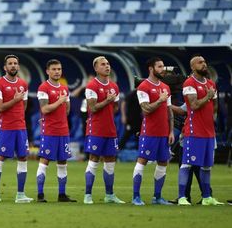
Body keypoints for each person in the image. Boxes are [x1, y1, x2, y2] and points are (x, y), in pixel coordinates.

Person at [177, 55, 223, 206]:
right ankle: (182, 197)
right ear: (192, 67)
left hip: (209, 132)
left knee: (206, 166)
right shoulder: (189, 83)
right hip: (194, 131)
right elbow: (195, 105)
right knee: (187, 164)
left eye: (204, 61)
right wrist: (208, 97)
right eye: (200, 62)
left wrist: (210, 110)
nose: (204, 64)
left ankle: (207, 197)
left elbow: (215, 106)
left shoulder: (211, 83)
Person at [131, 57, 174, 205]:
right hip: (149, 132)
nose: (163, 69)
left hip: (164, 133)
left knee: (163, 162)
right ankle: (136, 196)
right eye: (160, 67)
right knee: (142, 161)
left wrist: (171, 132)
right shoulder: (143, 87)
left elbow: (169, 112)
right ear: (151, 68)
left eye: (163, 66)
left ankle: (157, 197)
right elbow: (146, 109)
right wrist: (160, 100)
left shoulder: (165, 87)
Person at [0, 54, 33, 203]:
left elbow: (24, 105)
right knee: (0, 157)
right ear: (5, 67)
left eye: (15, 63)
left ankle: (20, 195)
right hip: (6, 128)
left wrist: (14, 109)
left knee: (23, 157)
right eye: (10, 63)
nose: (13, 66)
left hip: (20, 127)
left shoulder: (23, 84)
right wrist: (14, 101)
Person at [83, 56, 124, 204]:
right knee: (94, 160)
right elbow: (93, 108)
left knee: (110, 161)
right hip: (96, 129)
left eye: (108, 64)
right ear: (96, 68)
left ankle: (110, 195)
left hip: (110, 129)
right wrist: (107, 100)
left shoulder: (114, 86)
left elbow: (116, 107)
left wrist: (111, 102)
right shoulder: (91, 86)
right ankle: (87, 195)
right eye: (103, 64)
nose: (107, 66)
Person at [36, 59, 77, 203]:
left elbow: (67, 110)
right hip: (49, 131)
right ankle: (40, 195)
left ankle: (62, 194)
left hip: (63, 130)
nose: (57, 71)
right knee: (44, 161)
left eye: (59, 69)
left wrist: (63, 103)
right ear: (47, 71)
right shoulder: (43, 88)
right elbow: (44, 109)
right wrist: (59, 102)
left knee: (63, 162)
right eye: (53, 69)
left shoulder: (65, 88)